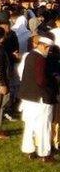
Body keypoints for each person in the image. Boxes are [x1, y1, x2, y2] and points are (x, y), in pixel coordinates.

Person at [18, 34, 56, 162]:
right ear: (44, 46)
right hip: (40, 98)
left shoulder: (30, 56)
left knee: (30, 125)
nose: (49, 51)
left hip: (28, 96)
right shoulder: (40, 59)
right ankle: (44, 153)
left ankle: (29, 150)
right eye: (48, 48)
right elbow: (41, 80)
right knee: (44, 126)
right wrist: (53, 81)